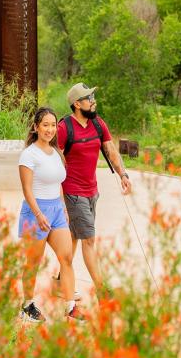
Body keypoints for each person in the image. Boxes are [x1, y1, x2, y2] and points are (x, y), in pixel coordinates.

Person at [53, 83, 131, 302]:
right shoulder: (64, 128)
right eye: (89, 98)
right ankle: (101, 290)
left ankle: (60, 281)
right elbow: (54, 159)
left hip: (92, 192)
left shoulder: (98, 124)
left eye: (93, 96)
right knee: (88, 239)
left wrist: (123, 174)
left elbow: (110, 150)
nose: (93, 101)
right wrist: (57, 195)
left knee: (74, 238)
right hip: (73, 192)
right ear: (77, 104)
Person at [17, 107, 85, 323]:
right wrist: (38, 214)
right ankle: (27, 306)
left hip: (56, 211)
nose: (50, 129)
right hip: (36, 212)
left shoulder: (56, 152)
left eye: (53, 125)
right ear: (36, 127)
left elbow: (59, 182)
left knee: (66, 257)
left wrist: (63, 206)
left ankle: (70, 306)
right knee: (33, 262)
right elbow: (27, 189)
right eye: (45, 125)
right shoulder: (29, 154)